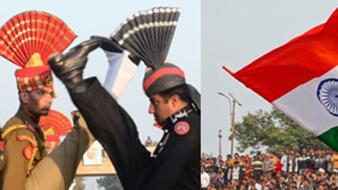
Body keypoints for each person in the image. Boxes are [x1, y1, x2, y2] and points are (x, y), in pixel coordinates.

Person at [49, 35, 201, 189]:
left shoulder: (188, 129)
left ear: (174, 101)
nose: (150, 110)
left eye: (155, 102)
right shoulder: (182, 124)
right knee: (126, 136)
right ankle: (78, 79)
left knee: (127, 139)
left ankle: (81, 78)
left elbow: (163, 180)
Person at [0, 11, 95, 189]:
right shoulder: (19, 133)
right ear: (25, 96)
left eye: (50, 94)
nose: (49, 100)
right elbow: (12, 184)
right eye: (42, 94)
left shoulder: (34, 128)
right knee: (77, 139)